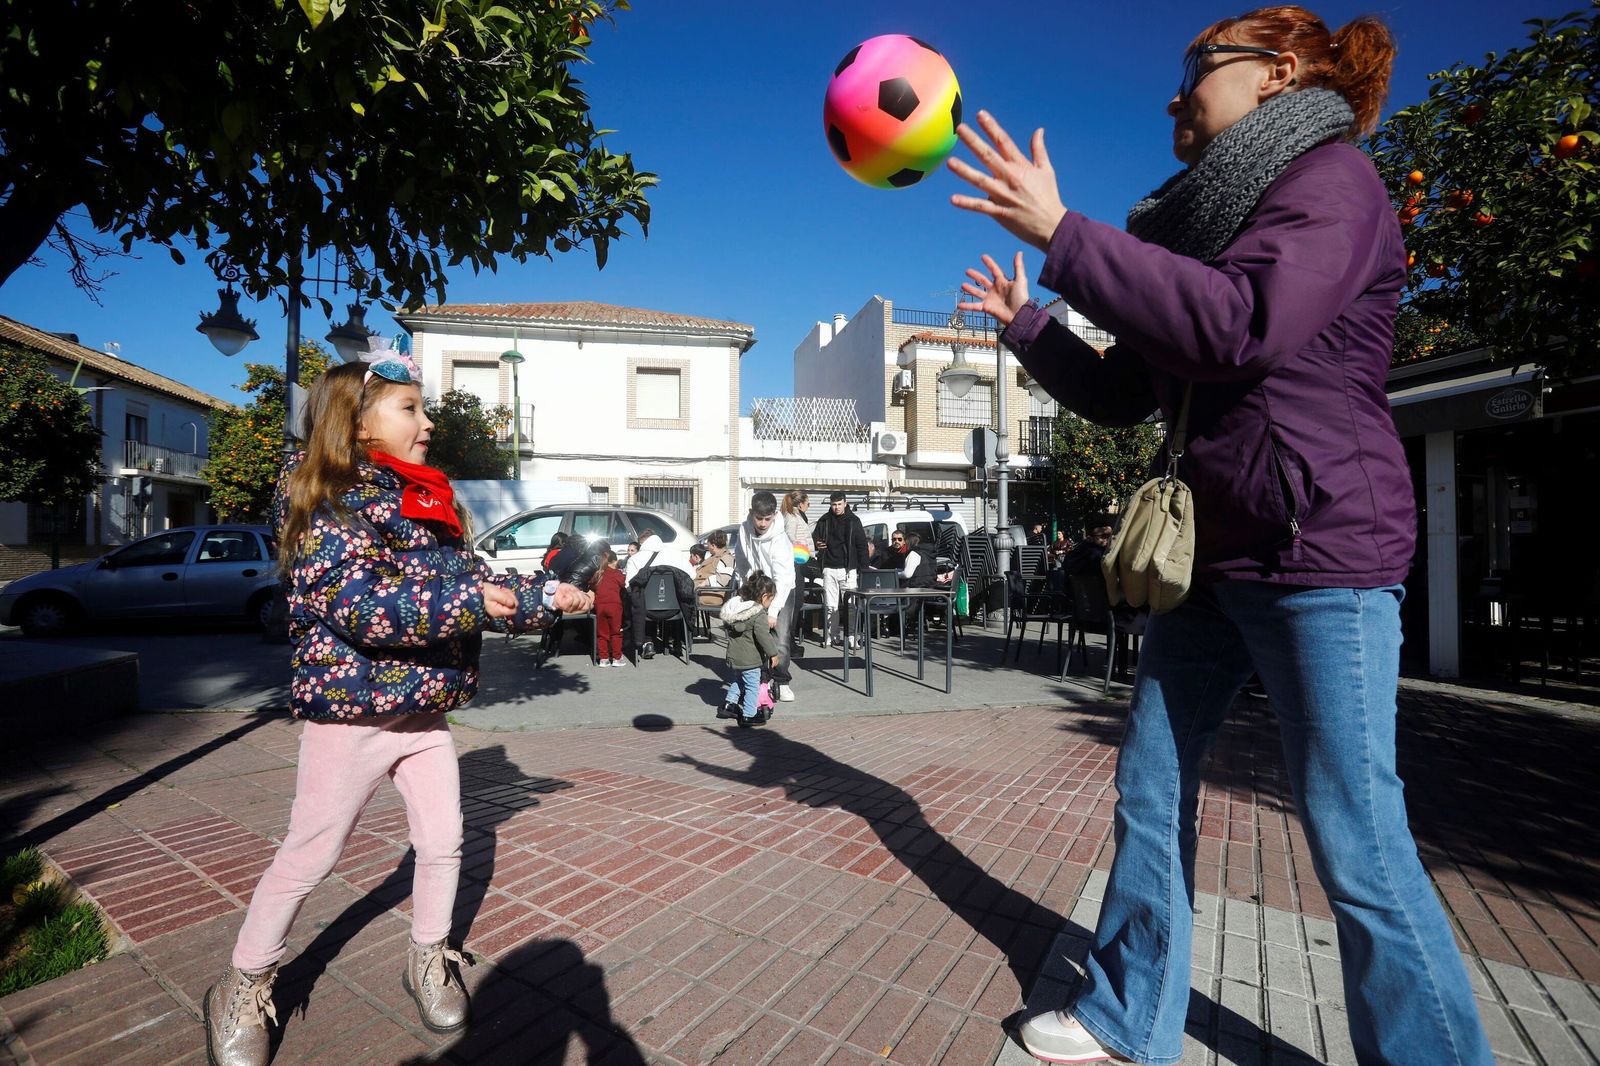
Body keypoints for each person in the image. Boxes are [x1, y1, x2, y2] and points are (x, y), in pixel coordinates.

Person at [950, 7, 1491, 1064]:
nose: (1175, 93)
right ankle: (1124, 1016)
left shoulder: (1332, 184)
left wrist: (1067, 236)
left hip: (1319, 552)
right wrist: (1029, 321)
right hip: (1210, 554)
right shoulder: (1203, 226)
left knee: (1356, 838)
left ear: (1276, 73)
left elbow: (1245, 322)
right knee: (1148, 784)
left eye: (1197, 68)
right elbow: (1124, 391)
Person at [204, 354, 592, 1066]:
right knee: (310, 854)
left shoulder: (426, 502)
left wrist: (545, 598)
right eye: (409, 408)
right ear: (356, 422)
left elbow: (475, 581)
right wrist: (471, 601)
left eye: (424, 407)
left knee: (445, 841)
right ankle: (244, 980)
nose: (427, 421)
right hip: (351, 717)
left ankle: (427, 956)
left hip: (421, 713)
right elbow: (366, 608)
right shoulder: (326, 503)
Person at [732, 491, 797, 702]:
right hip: (757, 588)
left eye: (767, 519)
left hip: (782, 589)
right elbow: (742, 559)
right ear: (751, 513)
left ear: (775, 515)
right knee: (755, 635)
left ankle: (781, 681)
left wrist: (774, 610)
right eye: (758, 518)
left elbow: (784, 578)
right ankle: (761, 678)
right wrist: (744, 587)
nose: (762, 523)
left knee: (781, 637)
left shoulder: (780, 540)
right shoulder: (744, 530)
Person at [715, 570, 780, 727]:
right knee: (752, 685)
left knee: (739, 680)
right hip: (750, 658)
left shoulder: (737, 609)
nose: (770, 603)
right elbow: (763, 636)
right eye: (771, 599)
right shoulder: (758, 614)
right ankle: (749, 715)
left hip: (735, 655)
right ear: (765, 597)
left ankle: (729, 705)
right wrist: (773, 654)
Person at [812, 491, 869, 649]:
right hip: (828, 568)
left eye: (839, 504)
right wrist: (817, 543)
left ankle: (851, 637)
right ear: (831, 504)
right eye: (833, 504)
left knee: (850, 605)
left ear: (845, 503)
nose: (836, 507)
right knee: (831, 605)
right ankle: (832, 636)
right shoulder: (824, 520)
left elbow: (862, 545)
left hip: (847, 569)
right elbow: (814, 537)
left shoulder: (853, 521)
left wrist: (863, 569)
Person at [780, 490, 817, 650]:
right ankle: (789, 640)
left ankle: (790, 639)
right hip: (796, 563)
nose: (809, 506)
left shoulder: (796, 516)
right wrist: (801, 551)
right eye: (808, 503)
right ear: (801, 503)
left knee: (797, 603)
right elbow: (789, 537)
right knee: (795, 603)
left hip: (799, 562)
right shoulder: (792, 517)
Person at [591, 549, 626, 667]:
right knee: (616, 632)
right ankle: (617, 658)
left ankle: (603, 658)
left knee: (602, 633)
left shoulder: (598, 574)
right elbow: (624, 584)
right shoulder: (617, 574)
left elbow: (591, 584)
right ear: (614, 561)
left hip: (600, 605)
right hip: (614, 605)